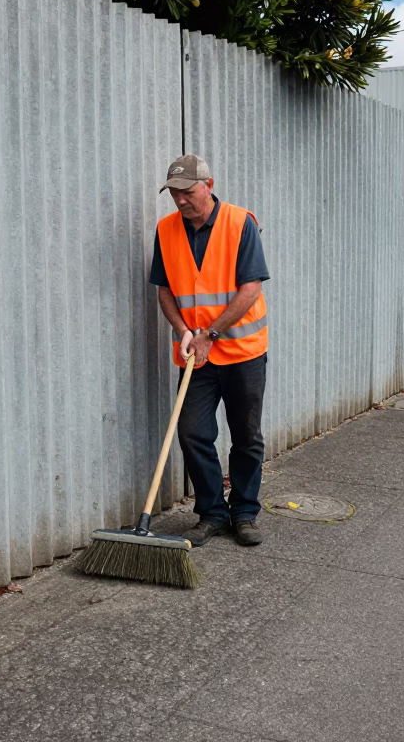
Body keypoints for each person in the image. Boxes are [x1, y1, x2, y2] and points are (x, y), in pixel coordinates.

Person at [150, 154, 270, 547]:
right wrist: (183, 330)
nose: (181, 200)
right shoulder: (166, 230)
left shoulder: (240, 224)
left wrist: (210, 334)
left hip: (243, 352)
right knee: (192, 433)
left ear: (209, 185)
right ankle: (213, 513)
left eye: (187, 191)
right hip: (196, 358)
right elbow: (165, 290)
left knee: (246, 436)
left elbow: (250, 289)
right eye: (174, 194)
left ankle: (245, 512)